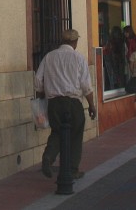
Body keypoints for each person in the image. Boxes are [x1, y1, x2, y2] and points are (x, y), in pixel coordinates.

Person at [35, 28, 97, 180]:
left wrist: (42, 95)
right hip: (73, 102)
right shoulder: (78, 58)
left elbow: (38, 80)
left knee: (57, 131)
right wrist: (92, 105)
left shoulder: (49, 57)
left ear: (62, 41)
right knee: (75, 134)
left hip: (54, 102)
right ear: (75, 42)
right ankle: (72, 169)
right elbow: (86, 85)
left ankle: (48, 157)